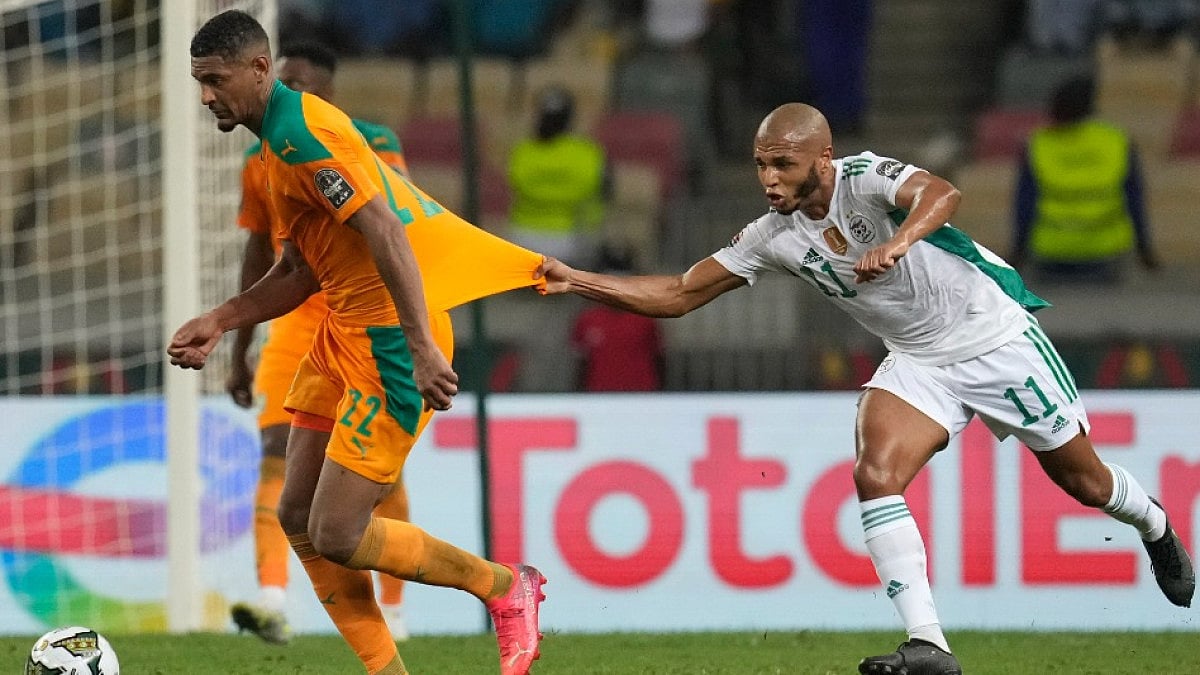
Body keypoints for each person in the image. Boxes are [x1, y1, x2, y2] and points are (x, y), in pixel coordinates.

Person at [536, 102, 1195, 675]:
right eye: (761, 164)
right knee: (874, 471)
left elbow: (942, 193)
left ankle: (1155, 521)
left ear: (823, 160)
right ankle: (928, 642)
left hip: (993, 337)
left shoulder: (865, 177)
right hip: (918, 359)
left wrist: (902, 240)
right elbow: (680, 293)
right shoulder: (772, 237)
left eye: (783, 166)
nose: (768, 179)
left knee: (1083, 481)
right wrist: (579, 280)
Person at [173, 11, 547, 675]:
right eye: (199, 81)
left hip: (389, 347)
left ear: (260, 68)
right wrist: (223, 320)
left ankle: (501, 585)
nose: (206, 95)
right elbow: (297, 271)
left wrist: (421, 345)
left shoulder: (304, 137)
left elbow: (388, 230)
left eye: (214, 79)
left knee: (338, 532)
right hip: (337, 334)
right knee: (296, 514)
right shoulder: (271, 150)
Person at [225, 41, 412, 644]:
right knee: (277, 450)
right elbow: (261, 252)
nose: (288, 95)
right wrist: (238, 347)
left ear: (327, 92)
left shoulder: (368, 139)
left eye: (300, 84)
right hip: (296, 320)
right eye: (283, 82)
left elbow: (398, 215)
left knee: (375, 474)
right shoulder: (260, 158)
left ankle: (396, 609)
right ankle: (272, 598)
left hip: (365, 316)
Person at [1010, 75, 1160, 285]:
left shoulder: (1038, 144)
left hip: (1051, 256)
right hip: (1105, 254)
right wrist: (1145, 251)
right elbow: (1134, 200)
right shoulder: (1116, 140)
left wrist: (1017, 253)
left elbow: (1025, 205)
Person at [506, 84, 609, 267]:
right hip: (571, 242)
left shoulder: (523, 151)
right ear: (569, 118)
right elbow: (602, 193)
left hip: (522, 240)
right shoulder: (587, 152)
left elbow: (517, 185)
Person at [568, 244, 663, 392]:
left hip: (641, 396)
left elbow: (659, 359)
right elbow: (581, 364)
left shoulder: (646, 317)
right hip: (599, 395)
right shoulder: (588, 319)